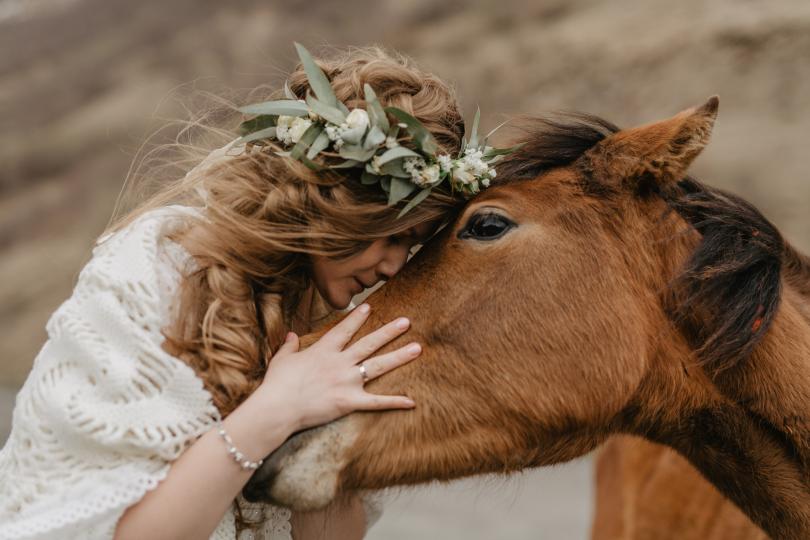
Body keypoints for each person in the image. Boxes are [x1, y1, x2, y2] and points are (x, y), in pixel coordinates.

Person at [0, 42, 511, 540]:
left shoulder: (336, 321)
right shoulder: (155, 268)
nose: (395, 264)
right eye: (392, 234)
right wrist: (276, 411)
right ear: (336, 202)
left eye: (415, 244)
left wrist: (325, 429)